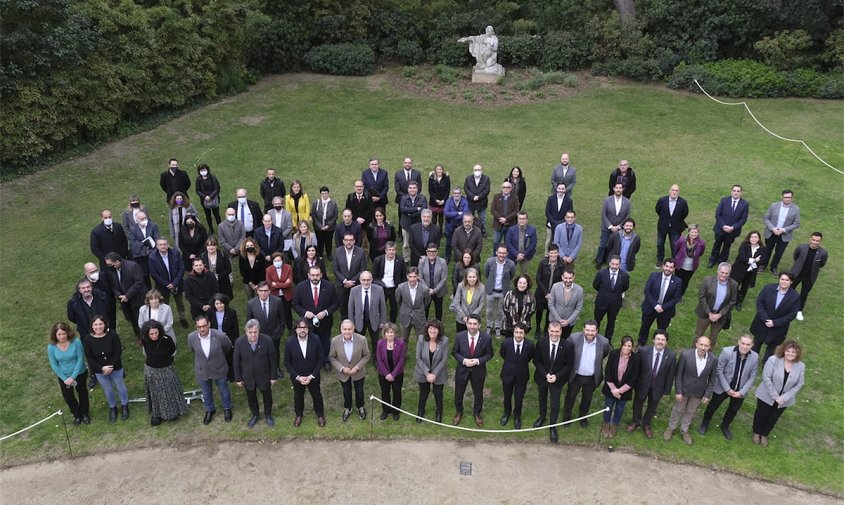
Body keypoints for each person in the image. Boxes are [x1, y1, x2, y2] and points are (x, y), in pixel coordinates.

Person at [698, 334, 758, 440]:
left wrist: (742, 392)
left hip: (740, 390)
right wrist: (728, 389)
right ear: (738, 342)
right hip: (723, 387)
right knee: (713, 406)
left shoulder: (755, 357)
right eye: (743, 343)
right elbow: (719, 370)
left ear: (752, 345)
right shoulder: (727, 352)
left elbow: (752, 376)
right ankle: (705, 422)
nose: (745, 346)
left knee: (733, 410)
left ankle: (725, 426)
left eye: (748, 344)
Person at [664, 336, 716, 445]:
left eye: (706, 345)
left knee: (690, 411)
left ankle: (684, 430)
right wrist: (678, 391)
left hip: (698, 392)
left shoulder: (713, 359)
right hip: (684, 389)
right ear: (696, 344)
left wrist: (707, 394)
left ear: (709, 347)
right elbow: (678, 374)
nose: (703, 347)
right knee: (678, 409)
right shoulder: (686, 355)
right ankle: (671, 428)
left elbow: (712, 379)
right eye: (701, 344)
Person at [752, 340, 804, 447]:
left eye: (793, 352)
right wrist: (775, 396)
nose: (790, 354)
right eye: (788, 351)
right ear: (783, 351)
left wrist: (784, 398)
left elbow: (799, 384)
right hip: (767, 394)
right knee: (761, 414)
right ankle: (756, 432)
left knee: (773, 417)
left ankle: (765, 434)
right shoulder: (773, 360)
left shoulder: (800, 366)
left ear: (797, 353)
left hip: (784, 399)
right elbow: (766, 378)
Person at [626, 329, 676, 438]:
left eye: (663, 340)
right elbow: (637, 369)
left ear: (666, 342)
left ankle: (646, 424)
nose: (660, 342)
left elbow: (670, 375)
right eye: (658, 339)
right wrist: (633, 384)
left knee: (652, 407)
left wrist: (666, 391)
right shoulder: (643, 351)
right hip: (642, 384)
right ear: (653, 340)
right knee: (637, 404)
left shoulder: (671, 356)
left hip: (658, 387)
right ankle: (635, 421)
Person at [187, 314, 233, 424]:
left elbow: (227, 348)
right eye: (199, 327)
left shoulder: (220, 336)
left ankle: (227, 408)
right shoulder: (191, 337)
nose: (202, 329)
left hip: (219, 368)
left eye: (204, 326)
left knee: (224, 390)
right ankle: (210, 410)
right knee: (206, 393)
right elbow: (192, 350)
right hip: (202, 370)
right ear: (196, 327)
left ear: (209, 324)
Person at [140, 320, 188, 426]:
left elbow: (172, 349)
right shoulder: (145, 340)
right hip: (151, 370)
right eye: (151, 334)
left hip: (166, 368)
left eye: (156, 333)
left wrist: (165, 359)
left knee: (169, 391)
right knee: (155, 393)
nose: (154, 336)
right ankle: (157, 414)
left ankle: (173, 411)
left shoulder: (167, 339)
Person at [563, 320, 611, 427]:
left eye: (592, 331)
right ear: (583, 329)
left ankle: (583, 416)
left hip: (591, 377)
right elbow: (567, 353)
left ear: (597, 331)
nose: (590, 333)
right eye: (587, 330)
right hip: (576, 375)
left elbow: (604, 354)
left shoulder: (604, 342)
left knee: (587, 398)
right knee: (570, 396)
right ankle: (566, 416)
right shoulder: (573, 338)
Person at [533, 321, 574, 443]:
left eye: (557, 331)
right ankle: (542, 417)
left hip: (557, 380)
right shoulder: (541, 342)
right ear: (548, 330)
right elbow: (536, 361)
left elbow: (568, 365)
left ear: (561, 332)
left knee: (555, 404)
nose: (554, 334)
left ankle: (552, 426)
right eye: (552, 331)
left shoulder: (567, 345)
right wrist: (545, 374)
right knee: (542, 399)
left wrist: (557, 376)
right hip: (542, 377)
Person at [292, 265, 339, 369]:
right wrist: (305, 313)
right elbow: (295, 304)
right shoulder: (300, 287)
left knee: (325, 342)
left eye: (317, 275)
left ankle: (325, 361)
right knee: (310, 342)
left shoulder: (329, 286)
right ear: (308, 275)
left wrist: (326, 312)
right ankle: (312, 361)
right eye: (312, 275)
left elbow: (335, 303)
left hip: (325, 321)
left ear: (321, 275)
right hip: (307, 323)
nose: (315, 277)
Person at [83, 315, 129, 422]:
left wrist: (111, 366)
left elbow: (118, 351)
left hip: (115, 367)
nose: (98, 327)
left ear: (104, 324)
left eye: (100, 324)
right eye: (95, 324)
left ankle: (124, 405)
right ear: (91, 326)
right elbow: (89, 357)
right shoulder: (87, 339)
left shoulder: (112, 334)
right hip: (100, 370)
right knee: (108, 389)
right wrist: (102, 368)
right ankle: (112, 407)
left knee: (120, 387)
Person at [233, 319, 278, 428]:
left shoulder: (267, 340)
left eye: (255, 332)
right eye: (250, 332)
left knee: (267, 396)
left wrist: (273, 376)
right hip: (248, 377)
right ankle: (255, 415)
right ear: (246, 332)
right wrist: (238, 378)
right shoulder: (239, 342)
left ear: (259, 331)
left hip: (264, 375)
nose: (253, 335)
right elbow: (236, 361)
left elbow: (273, 360)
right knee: (251, 397)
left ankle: (268, 415)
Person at [452, 314, 494, 427]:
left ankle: (477, 413)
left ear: (479, 325)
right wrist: (464, 360)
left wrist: (478, 361)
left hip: (478, 371)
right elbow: (455, 352)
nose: (472, 326)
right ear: (466, 324)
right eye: (470, 323)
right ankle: (459, 412)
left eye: (475, 324)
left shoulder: (486, 338)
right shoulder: (459, 336)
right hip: (462, 370)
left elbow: (490, 354)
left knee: (478, 394)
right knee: (459, 394)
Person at [750, 272, 800, 363]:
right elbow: (759, 303)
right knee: (755, 347)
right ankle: (750, 364)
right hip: (761, 324)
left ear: (791, 282)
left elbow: (792, 314)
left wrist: (775, 323)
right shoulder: (768, 288)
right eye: (782, 279)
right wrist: (765, 319)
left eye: (787, 280)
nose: (784, 282)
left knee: (770, 353)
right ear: (779, 279)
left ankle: (766, 368)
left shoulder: (795, 296)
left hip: (778, 329)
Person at [285, 319, 326, 427]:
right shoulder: (290, 342)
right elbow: (287, 362)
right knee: (298, 397)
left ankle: (320, 415)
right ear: (295, 329)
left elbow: (320, 358)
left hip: (313, 376)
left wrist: (312, 375)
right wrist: (297, 377)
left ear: (308, 329)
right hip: (297, 378)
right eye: (299, 328)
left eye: (304, 327)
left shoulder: (315, 339)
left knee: (317, 396)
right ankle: (299, 415)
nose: (302, 330)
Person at [48, 322, 90, 425]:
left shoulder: (76, 342)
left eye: (63, 334)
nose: (62, 336)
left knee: (83, 393)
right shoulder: (51, 347)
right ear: (55, 335)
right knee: (68, 397)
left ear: (68, 333)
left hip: (79, 373)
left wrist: (73, 377)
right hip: (64, 377)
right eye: (59, 334)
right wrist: (64, 378)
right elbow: (54, 365)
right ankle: (77, 414)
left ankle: (85, 413)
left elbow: (80, 359)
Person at [329, 319, 371, 422]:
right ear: (341, 329)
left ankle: (360, 407)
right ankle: (347, 408)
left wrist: (357, 367)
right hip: (343, 374)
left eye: (349, 329)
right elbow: (332, 357)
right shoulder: (335, 341)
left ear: (353, 329)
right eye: (345, 329)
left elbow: (366, 355)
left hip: (358, 372)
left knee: (359, 391)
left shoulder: (362, 339)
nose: (347, 332)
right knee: (346, 392)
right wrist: (342, 368)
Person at [637, 259, 683, 347]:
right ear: (662, 266)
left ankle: (659, 345)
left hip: (666, 311)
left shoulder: (678, 281)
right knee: (644, 327)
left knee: (662, 330)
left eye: (671, 267)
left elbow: (676, 298)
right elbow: (647, 291)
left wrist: (663, 307)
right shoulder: (653, 276)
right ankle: (641, 343)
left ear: (674, 269)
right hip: (650, 307)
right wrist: (655, 305)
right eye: (666, 266)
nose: (668, 269)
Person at [601, 336, 639, 438]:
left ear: (632, 346)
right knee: (608, 407)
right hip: (611, 388)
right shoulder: (613, 354)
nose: (626, 348)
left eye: (629, 346)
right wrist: (614, 390)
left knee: (620, 408)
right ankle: (606, 423)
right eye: (625, 345)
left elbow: (633, 378)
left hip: (624, 391)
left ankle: (614, 424)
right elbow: (608, 372)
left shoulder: (635, 359)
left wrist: (619, 391)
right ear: (621, 345)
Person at [499, 323, 535, 429]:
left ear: (525, 333)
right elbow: (503, 355)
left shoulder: (530, 345)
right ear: (513, 332)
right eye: (517, 332)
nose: (519, 335)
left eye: (521, 333)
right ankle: (507, 413)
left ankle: (517, 416)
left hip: (522, 376)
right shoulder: (506, 343)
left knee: (519, 397)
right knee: (507, 396)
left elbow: (529, 358)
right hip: (507, 374)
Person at [693, 263, 738, 347]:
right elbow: (701, 296)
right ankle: (692, 353)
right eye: (722, 272)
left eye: (726, 273)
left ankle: (708, 357)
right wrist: (709, 313)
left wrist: (720, 314)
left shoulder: (733, 285)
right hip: (705, 313)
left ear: (729, 273)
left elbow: (732, 302)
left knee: (713, 338)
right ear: (718, 271)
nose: (724, 275)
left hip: (720, 317)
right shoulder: (707, 280)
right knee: (698, 336)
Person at [246, 281, 286, 372]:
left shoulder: (277, 301)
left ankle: (276, 368)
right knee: (260, 352)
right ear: (257, 291)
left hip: (274, 333)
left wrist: (280, 332)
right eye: (261, 290)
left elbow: (282, 319)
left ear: (269, 291)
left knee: (275, 352)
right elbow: (249, 321)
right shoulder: (251, 304)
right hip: (259, 334)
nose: (263, 293)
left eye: (265, 290)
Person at [415, 320, 449, 423]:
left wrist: (434, 374)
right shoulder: (421, 339)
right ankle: (420, 411)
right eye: (430, 328)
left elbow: (444, 360)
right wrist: (427, 373)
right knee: (423, 393)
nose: (432, 330)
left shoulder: (444, 341)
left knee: (438, 393)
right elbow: (418, 358)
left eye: (435, 328)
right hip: (422, 371)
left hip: (439, 373)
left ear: (439, 330)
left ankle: (439, 412)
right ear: (427, 329)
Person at [148, 238, 188, 328]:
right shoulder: (152, 257)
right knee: (164, 304)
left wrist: (174, 283)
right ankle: (166, 320)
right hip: (162, 286)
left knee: (180, 302)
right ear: (157, 246)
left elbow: (181, 268)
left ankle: (182, 318)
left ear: (168, 244)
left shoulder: (175, 253)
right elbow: (154, 274)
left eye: (165, 244)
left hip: (177, 283)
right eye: (161, 244)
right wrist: (167, 284)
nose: (163, 246)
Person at [104, 253, 146, 337]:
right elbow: (113, 285)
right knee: (132, 318)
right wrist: (118, 295)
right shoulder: (112, 270)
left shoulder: (133, 266)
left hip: (138, 298)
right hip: (125, 300)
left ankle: (146, 335)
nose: (109, 266)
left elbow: (139, 282)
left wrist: (127, 295)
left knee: (141, 318)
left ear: (117, 262)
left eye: (110, 264)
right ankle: (139, 335)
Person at [789, 231, 828, 321]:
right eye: (813, 240)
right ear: (810, 239)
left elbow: (821, 264)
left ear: (820, 241)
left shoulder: (823, 253)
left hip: (809, 277)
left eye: (817, 241)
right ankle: (786, 304)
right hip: (797, 273)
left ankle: (799, 310)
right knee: (790, 289)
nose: (814, 242)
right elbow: (796, 257)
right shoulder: (801, 247)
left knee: (804, 294)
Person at [708, 185, 749, 267]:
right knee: (717, 244)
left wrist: (733, 227)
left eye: (738, 191)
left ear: (741, 193)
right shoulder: (724, 200)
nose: (736, 193)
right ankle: (712, 260)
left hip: (732, 231)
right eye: (734, 190)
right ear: (731, 191)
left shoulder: (744, 204)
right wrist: (723, 226)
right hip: (720, 228)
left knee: (727, 246)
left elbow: (743, 219)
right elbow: (718, 214)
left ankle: (722, 260)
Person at [348, 270, 387, 355]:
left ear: (372, 279)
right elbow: (351, 309)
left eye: (368, 280)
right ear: (360, 280)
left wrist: (382, 321)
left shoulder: (379, 290)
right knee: (358, 341)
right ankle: (359, 357)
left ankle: (376, 359)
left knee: (375, 341)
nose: (366, 282)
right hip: (359, 321)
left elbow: (383, 307)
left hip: (374, 320)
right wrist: (351, 323)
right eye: (364, 280)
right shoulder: (354, 291)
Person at [592, 255, 629, 343]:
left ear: (619, 265)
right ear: (609, 263)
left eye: (616, 264)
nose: (614, 266)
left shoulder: (624, 276)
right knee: (597, 321)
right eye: (613, 264)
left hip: (615, 304)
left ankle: (607, 341)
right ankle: (594, 338)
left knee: (611, 322)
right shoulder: (601, 273)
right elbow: (595, 285)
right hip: (601, 302)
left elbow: (625, 287)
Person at [762, 189, 800, 274]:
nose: (787, 199)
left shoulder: (796, 209)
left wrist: (783, 230)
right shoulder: (774, 206)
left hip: (784, 235)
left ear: (792, 198)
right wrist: (773, 228)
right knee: (767, 250)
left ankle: (773, 267)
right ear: (782, 197)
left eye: (789, 197)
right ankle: (763, 265)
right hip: (771, 232)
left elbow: (796, 223)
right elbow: (766, 218)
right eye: (785, 197)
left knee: (779, 253)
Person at [595, 183, 631, 269]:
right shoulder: (607, 200)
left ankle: (611, 262)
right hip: (607, 228)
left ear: (623, 189)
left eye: (620, 188)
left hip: (619, 229)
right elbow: (603, 214)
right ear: (614, 189)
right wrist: (610, 226)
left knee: (616, 247)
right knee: (602, 245)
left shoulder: (627, 202)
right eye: (617, 188)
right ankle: (599, 260)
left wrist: (619, 227)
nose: (618, 190)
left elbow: (627, 216)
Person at [376, 322, 406, 420]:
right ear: (384, 333)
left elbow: (401, 360)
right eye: (387, 332)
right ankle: (386, 410)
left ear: (395, 333)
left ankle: (395, 411)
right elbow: (379, 360)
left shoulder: (401, 343)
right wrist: (387, 374)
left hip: (397, 373)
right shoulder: (380, 343)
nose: (389, 334)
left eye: (391, 332)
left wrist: (393, 374)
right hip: (383, 374)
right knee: (385, 392)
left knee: (397, 392)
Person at [333, 233, 367, 319]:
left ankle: (355, 321)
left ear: (354, 241)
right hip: (342, 284)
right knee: (343, 304)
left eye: (351, 240)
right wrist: (345, 281)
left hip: (356, 284)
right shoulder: (337, 251)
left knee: (356, 304)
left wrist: (352, 281)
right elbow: (335, 270)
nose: (349, 242)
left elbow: (362, 269)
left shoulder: (360, 252)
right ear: (343, 241)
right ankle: (344, 320)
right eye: (347, 240)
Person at [484, 244, 516, 336]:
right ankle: (489, 326)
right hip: (491, 291)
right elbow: (486, 273)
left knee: (500, 312)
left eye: (504, 253)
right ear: (496, 252)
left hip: (503, 292)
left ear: (507, 254)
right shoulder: (489, 262)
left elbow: (512, 276)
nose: (501, 255)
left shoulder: (511, 264)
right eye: (500, 253)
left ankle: (498, 327)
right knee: (489, 311)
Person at [730, 230, 766, 311]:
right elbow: (742, 257)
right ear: (749, 238)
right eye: (751, 237)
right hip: (739, 269)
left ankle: (739, 301)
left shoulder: (762, 249)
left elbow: (763, 260)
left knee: (745, 286)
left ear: (759, 239)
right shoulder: (744, 245)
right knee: (735, 284)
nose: (753, 239)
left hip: (751, 271)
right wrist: (754, 260)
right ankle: (731, 298)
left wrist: (753, 262)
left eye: (755, 237)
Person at [534, 244, 565, 338]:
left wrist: (552, 294)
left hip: (554, 294)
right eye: (551, 253)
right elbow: (538, 278)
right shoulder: (542, 263)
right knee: (539, 312)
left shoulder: (561, 265)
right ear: (548, 253)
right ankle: (538, 329)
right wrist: (546, 293)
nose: (553, 255)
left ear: (558, 253)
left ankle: (546, 329)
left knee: (550, 313)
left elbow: (561, 280)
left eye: (555, 253)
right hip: (541, 293)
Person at [654, 184, 689, 267]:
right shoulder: (662, 200)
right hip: (663, 226)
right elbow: (658, 210)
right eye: (673, 190)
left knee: (675, 245)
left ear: (678, 192)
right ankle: (660, 259)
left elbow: (684, 213)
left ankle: (674, 260)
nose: (674, 192)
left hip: (675, 227)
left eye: (676, 191)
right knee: (660, 243)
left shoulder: (683, 203)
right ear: (669, 191)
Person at [395, 267, 431, 348]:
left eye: (414, 277)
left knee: (421, 340)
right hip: (405, 316)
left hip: (419, 317)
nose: (412, 279)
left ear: (418, 276)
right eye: (410, 277)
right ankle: (402, 358)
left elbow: (427, 302)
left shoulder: (424, 289)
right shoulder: (400, 287)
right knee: (403, 339)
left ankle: (421, 359)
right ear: (407, 276)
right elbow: (398, 300)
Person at [371, 242, 406, 322]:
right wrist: (380, 284)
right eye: (389, 250)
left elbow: (403, 276)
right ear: (385, 251)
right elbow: (374, 276)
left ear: (395, 251)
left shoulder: (400, 260)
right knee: (380, 306)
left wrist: (401, 287)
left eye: (393, 250)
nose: (391, 252)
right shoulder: (378, 260)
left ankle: (392, 323)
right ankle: (380, 322)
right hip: (382, 287)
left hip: (394, 288)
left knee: (394, 307)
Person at [208, 293, 239, 382]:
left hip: (227, 339)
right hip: (215, 339)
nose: (219, 306)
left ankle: (232, 375)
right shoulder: (210, 312)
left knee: (230, 358)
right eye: (217, 304)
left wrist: (234, 342)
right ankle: (222, 375)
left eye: (221, 303)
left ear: (225, 303)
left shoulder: (231, 313)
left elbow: (235, 329)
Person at [548, 269, 584, 340]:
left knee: (564, 340)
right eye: (566, 278)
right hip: (554, 320)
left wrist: (568, 321)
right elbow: (551, 304)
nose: (568, 280)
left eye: (570, 278)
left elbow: (579, 307)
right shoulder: (555, 287)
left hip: (569, 322)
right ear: (562, 277)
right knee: (552, 338)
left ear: (573, 277)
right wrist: (558, 319)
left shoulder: (579, 290)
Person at [126, 211, 159, 288]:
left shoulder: (153, 226)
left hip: (154, 254)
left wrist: (151, 250)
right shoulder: (133, 230)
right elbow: (134, 244)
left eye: (145, 218)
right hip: (142, 257)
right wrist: (145, 250)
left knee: (157, 274)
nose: (144, 220)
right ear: (136, 220)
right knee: (145, 276)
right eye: (141, 219)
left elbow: (157, 239)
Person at [673, 224, 706, 297]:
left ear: (698, 233)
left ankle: (680, 295)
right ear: (688, 232)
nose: (694, 234)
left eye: (696, 232)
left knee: (685, 282)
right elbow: (676, 250)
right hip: (680, 266)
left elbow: (700, 253)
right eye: (692, 232)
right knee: (677, 280)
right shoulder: (682, 240)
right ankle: (673, 293)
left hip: (691, 268)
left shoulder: (701, 243)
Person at [450, 267, 485, 333]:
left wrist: (471, 318)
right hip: (461, 318)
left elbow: (481, 305)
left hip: (474, 320)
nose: (472, 279)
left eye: (474, 277)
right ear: (466, 277)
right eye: (470, 277)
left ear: (477, 277)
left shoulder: (482, 288)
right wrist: (463, 316)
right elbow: (456, 302)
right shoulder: (461, 286)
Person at [399, 181, 428, 260]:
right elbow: (402, 209)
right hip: (406, 225)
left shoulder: (422, 198)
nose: (412, 190)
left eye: (414, 188)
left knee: (418, 243)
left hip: (418, 224)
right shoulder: (403, 198)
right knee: (406, 244)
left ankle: (418, 257)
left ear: (417, 189)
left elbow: (423, 210)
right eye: (410, 188)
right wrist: (415, 209)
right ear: (408, 189)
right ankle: (406, 259)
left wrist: (410, 213)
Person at [266, 252, 294, 332]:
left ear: (282, 260)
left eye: (279, 260)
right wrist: (283, 283)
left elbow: (289, 283)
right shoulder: (268, 270)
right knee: (276, 313)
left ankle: (290, 328)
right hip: (275, 295)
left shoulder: (288, 268)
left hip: (287, 295)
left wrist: (276, 284)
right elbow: (270, 284)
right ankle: (278, 329)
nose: (277, 262)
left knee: (288, 313)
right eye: (275, 260)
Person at [419, 243, 448, 321]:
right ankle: (424, 327)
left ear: (437, 252)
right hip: (426, 291)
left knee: (438, 310)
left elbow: (444, 279)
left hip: (438, 291)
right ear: (426, 252)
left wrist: (434, 290)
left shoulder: (442, 262)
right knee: (425, 310)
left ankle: (438, 327)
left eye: (434, 251)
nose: (431, 253)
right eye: (429, 251)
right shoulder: (422, 261)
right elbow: (420, 277)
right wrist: (427, 289)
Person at [544, 183, 574, 255]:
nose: (561, 190)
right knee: (549, 240)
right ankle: (546, 254)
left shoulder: (569, 201)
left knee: (559, 240)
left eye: (562, 189)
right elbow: (547, 212)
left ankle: (558, 254)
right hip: (551, 224)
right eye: (559, 188)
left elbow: (569, 214)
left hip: (562, 224)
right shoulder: (551, 198)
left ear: (565, 190)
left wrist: (560, 222)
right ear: (556, 189)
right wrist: (553, 222)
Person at [490, 181, 519, 252]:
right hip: (498, 224)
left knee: (508, 243)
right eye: (504, 187)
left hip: (510, 225)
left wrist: (506, 219)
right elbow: (493, 210)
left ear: (511, 189)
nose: (506, 189)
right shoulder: (496, 197)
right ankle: (495, 256)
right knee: (496, 242)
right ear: (501, 188)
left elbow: (516, 211)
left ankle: (506, 257)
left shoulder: (515, 198)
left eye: (508, 187)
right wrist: (500, 218)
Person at [311, 186, 338, 260]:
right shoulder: (316, 203)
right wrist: (320, 226)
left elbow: (335, 215)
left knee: (328, 241)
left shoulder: (333, 203)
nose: (324, 195)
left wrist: (328, 225)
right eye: (323, 193)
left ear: (328, 194)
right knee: (320, 241)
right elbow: (313, 214)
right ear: (320, 194)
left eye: (326, 193)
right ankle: (320, 254)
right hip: (318, 227)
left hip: (329, 228)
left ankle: (329, 254)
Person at [394, 156, 423, 226]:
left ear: (411, 164)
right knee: (401, 216)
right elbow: (397, 188)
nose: (407, 164)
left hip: (415, 199)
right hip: (402, 199)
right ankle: (400, 232)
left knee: (414, 215)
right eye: (406, 163)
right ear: (403, 164)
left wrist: (413, 196)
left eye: (409, 163)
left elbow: (419, 187)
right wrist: (406, 197)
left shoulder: (417, 173)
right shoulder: (398, 174)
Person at [443, 187, 470, 261]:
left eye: (458, 193)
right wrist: (457, 213)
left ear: (461, 194)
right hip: (450, 226)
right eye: (455, 193)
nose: (456, 195)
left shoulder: (465, 202)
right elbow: (446, 213)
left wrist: (453, 216)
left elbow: (465, 214)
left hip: (460, 226)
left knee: (460, 243)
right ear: (452, 194)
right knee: (448, 243)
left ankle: (458, 257)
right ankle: (447, 256)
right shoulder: (449, 201)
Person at [464, 164, 491, 236]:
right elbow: (466, 189)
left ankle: (483, 231)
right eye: (475, 170)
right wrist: (472, 196)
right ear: (473, 171)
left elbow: (487, 190)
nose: (477, 171)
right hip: (471, 202)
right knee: (470, 217)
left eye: (478, 170)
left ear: (481, 170)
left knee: (482, 218)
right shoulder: (468, 178)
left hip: (481, 202)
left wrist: (478, 197)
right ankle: (470, 230)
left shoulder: (486, 178)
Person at [195, 163, 222, 233]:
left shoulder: (212, 177)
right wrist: (204, 197)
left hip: (213, 199)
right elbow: (197, 190)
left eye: (204, 169)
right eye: (201, 170)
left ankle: (220, 228)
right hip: (204, 200)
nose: (203, 171)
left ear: (207, 170)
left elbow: (216, 188)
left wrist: (210, 196)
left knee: (216, 214)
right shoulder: (198, 179)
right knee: (208, 215)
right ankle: (211, 229)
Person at [427, 164, 450, 231]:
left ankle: (440, 230)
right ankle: (433, 231)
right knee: (434, 217)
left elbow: (447, 190)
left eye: (440, 169)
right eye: (437, 169)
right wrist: (435, 199)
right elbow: (430, 190)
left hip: (443, 201)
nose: (439, 171)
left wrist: (444, 200)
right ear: (435, 170)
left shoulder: (446, 178)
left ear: (442, 170)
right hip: (434, 201)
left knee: (441, 217)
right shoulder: (431, 178)